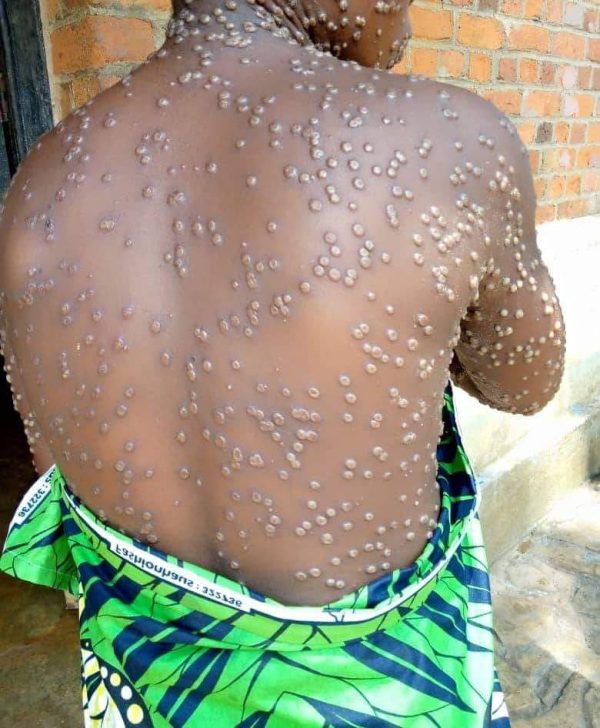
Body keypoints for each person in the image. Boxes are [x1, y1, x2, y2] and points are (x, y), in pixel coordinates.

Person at [0, 0, 565, 725]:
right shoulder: (450, 140)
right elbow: (526, 383)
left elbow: (56, 468)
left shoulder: (35, 189)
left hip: (147, 695)